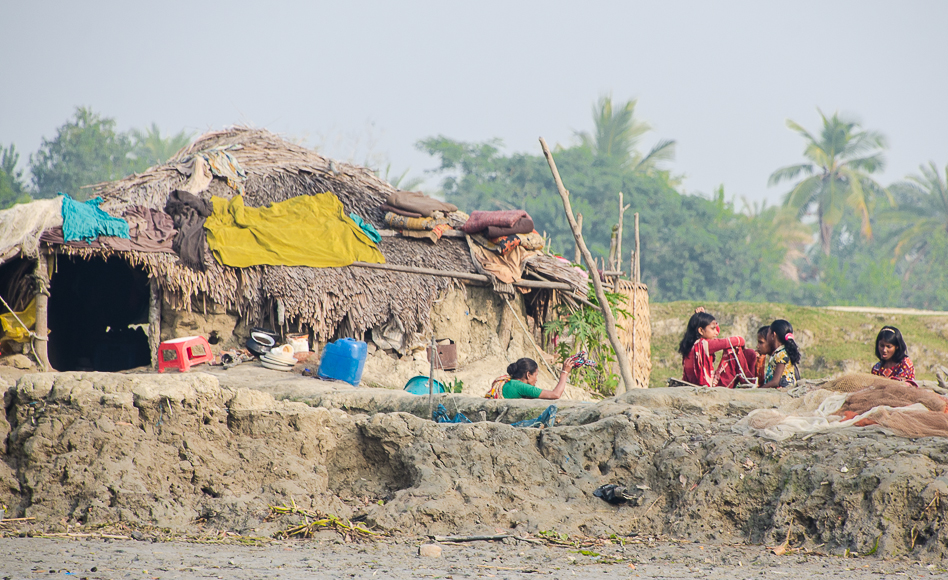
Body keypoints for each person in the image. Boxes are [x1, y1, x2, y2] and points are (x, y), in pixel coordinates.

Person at [678, 307, 753, 388]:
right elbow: (739, 340)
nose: (716, 332)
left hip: (694, 383)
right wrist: (742, 346)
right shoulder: (705, 344)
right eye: (713, 329)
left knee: (747, 352)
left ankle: (748, 380)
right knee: (733, 349)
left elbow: (713, 330)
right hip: (706, 385)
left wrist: (702, 316)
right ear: (700, 331)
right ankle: (748, 381)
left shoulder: (691, 345)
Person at [501, 357, 575, 399]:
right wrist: (564, 373)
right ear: (528, 375)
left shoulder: (509, 382)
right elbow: (556, 394)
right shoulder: (522, 387)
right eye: (535, 375)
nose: (536, 379)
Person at [760, 319, 800, 389]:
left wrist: (760, 390)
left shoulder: (781, 353)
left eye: (768, 333)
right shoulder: (780, 352)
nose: (767, 336)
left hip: (783, 391)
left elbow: (775, 382)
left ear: (773, 335)